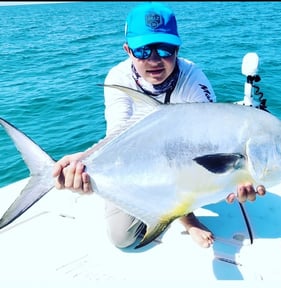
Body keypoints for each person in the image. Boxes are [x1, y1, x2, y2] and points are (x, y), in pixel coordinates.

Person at [53, 2, 266, 249]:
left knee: (210, 179)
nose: (154, 60)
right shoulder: (118, 79)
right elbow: (118, 140)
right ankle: (168, 211)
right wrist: (85, 161)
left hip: (186, 162)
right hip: (136, 159)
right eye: (143, 50)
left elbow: (204, 149)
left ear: (177, 49)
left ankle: (187, 218)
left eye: (165, 49)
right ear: (127, 50)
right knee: (122, 237)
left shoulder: (193, 79)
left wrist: (239, 177)